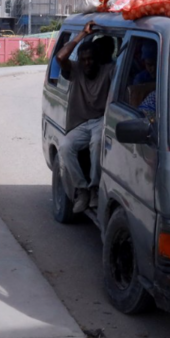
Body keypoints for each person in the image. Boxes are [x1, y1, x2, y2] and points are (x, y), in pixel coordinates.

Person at [55, 21, 115, 213]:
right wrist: (82, 35)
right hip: (81, 123)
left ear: (98, 59)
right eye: (84, 59)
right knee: (64, 147)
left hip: (100, 120)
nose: (87, 63)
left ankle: (94, 189)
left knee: (97, 142)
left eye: (91, 59)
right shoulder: (76, 70)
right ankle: (82, 190)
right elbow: (60, 56)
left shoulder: (108, 71)